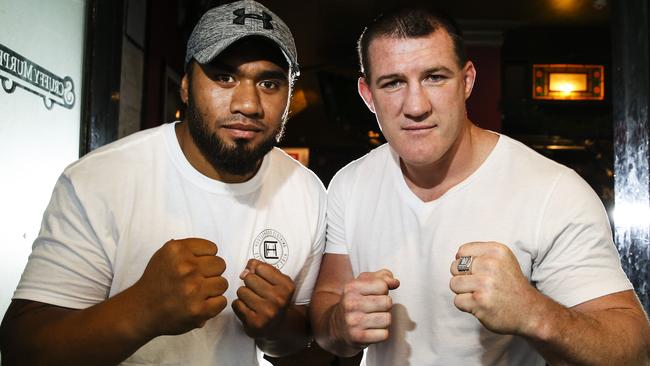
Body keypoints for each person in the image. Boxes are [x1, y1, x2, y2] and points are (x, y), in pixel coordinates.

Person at [310, 6, 650, 365]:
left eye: (435, 77)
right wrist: (340, 324)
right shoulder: (351, 183)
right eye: (393, 82)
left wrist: (535, 314)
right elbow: (328, 303)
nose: (416, 105)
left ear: (467, 80)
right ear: (367, 94)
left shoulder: (553, 191)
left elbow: (634, 350)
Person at [0, 1, 326, 365]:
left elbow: (295, 344)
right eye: (223, 77)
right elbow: (21, 349)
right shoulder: (100, 179)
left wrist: (278, 326)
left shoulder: (307, 192)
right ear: (186, 86)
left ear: (288, 96)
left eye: (269, 82)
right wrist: (140, 311)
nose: (248, 104)